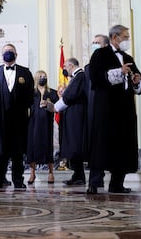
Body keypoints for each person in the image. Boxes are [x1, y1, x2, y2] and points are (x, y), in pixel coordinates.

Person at [88, 24, 141, 194]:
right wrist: (119, 72)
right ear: (115, 37)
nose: (127, 40)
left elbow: (140, 84)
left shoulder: (128, 56)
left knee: (123, 145)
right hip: (106, 109)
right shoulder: (100, 54)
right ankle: (94, 183)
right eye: (125, 37)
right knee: (101, 145)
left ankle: (117, 183)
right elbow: (96, 78)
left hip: (125, 109)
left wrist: (137, 81)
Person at [0, 44, 34, 189]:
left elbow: (30, 97)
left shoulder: (25, 72)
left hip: (18, 119)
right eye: (5, 52)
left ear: (16, 54)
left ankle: (18, 181)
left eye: (10, 52)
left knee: (17, 152)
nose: (8, 54)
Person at [46, 58, 88, 187]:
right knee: (73, 145)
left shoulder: (80, 76)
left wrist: (55, 107)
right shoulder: (77, 77)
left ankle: (79, 176)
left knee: (75, 145)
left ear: (71, 66)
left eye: (65, 66)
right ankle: (77, 175)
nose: (64, 69)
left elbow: (70, 96)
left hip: (76, 117)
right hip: (73, 116)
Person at [84, 34, 109, 194]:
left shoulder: (113, 66)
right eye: (92, 43)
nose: (94, 45)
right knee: (96, 149)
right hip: (93, 114)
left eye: (97, 43)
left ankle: (116, 182)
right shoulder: (87, 68)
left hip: (110, 113)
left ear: (105, 46)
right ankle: (94, 181)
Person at [26, 70, 59, 184]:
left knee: (47, 146)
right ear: (36, 78)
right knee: (32, 147)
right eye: (41, 76)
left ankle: (51, 173)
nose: (43, 78)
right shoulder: (30, 92)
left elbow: (57, 107)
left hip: (46, 123)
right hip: (33, 123)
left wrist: (48, 104)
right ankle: (32, 174)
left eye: (45, 76)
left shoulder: (52, 92)